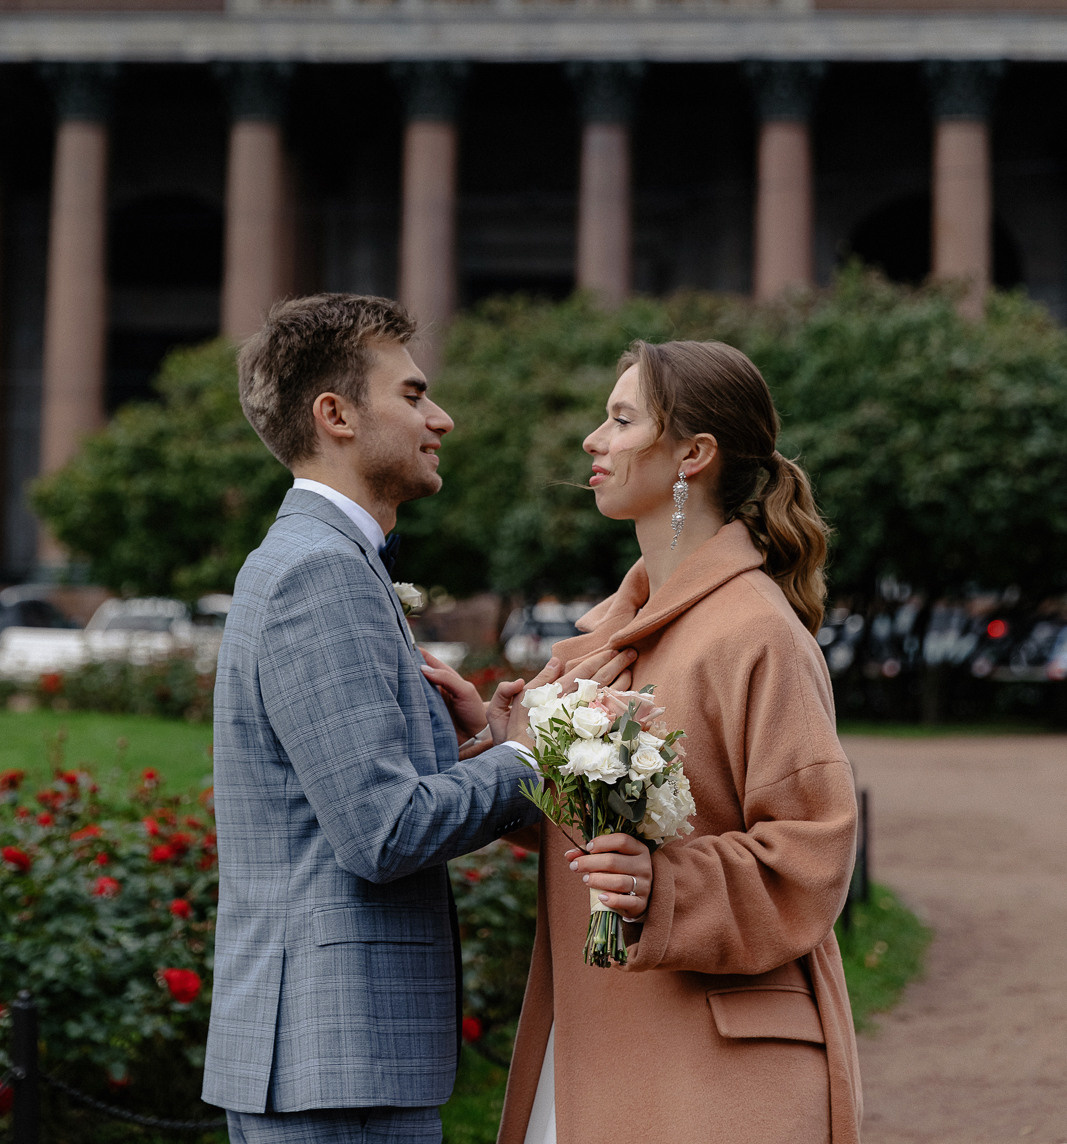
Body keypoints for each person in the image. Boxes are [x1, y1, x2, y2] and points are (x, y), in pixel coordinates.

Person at [203, 292, 635, 1144]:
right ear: (335, 416)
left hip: (328, 1060)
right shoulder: (319, 572)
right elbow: (382, 833)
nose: (441, 418)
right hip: (334, 1064)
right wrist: (529, 756)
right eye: (412, 394)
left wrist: (480, 747)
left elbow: (347, 798)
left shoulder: (324, 559)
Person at [497, 339, 863, 1144]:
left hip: (714, 1073)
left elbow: (811, 849)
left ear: (692, 455)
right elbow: (590, 832)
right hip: (596, 1054)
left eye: (621, 419)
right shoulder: (607, 636)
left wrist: (662, 886)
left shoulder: (756, 631)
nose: (593, 440)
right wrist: (497, 748)